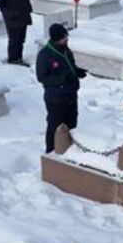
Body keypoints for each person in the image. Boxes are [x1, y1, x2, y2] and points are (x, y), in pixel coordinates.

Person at [37, 23, 88, 153]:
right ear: (56, 39)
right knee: (55, 125)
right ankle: (51, 150)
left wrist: (77, 71)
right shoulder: (45, 55)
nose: (66, 40)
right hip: (56, 97)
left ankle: (69, 148)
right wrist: (62, 79)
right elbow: (42, 77)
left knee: (71, 123)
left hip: (70, 93)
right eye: (63, 38)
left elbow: (69, 66)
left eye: (66, 37)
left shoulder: (66, 50)